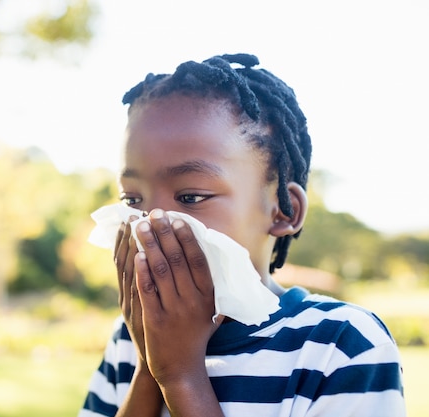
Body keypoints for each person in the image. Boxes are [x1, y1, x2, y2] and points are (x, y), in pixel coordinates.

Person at [78, 53, 406, 417]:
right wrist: (146, 366)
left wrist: (179, 375)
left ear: (284, 211)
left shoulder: (340, 344)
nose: (149, 222)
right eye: (131, 199)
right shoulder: (129, 339)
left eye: (190, 197)